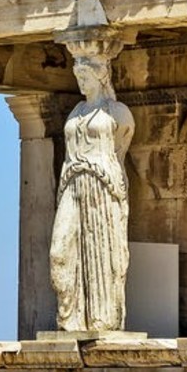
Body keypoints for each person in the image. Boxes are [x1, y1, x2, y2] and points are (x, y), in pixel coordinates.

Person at [50, 40, 134, 332]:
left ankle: (102, 319)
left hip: (102, 185)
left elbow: (121, 151)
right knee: (59, 253)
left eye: (84, 76)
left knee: (101, 251)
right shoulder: (75, 111)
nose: (80, 82)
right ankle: (69, 320)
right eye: (78, 77)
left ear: (99, 75)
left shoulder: (118, 112)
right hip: (72, 184)